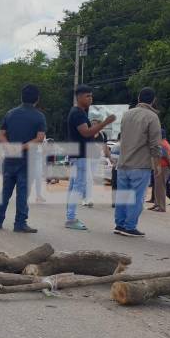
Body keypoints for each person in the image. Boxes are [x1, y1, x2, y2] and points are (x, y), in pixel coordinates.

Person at [0, 84, 47, 233]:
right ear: (37, 99)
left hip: (10, 157)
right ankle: (20, 223)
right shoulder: (39, 116)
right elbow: (40, 138)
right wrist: (22, 148)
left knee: (5, 191)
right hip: (27, 160)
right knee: (23, 192)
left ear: (21, 97)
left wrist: (9, 147)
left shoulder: (10, 113)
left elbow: (1, 134)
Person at [65, 85, 116, 230]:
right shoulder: (77, 113)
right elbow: (86, 133)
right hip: (80, 155)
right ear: (79, 97)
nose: (90, 98)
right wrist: (105, 123)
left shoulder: (78, 112)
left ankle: (70, 216)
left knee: (74, 186)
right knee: (78, 186)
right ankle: (70, 218)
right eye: (88, 96)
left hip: (78, 155)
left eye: (91, 96)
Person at [114, 87, 162, 237]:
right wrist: (158, 164)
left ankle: (119, 224)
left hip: (123, 163)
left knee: (122, 195)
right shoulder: (152, 117)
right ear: (153, 100)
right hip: (140, 164)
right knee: (136, 197)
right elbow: (155, 144)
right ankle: (130, 226)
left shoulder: (126, 115)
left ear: (138, 97)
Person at [148, 129, 170, 212]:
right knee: (157, 187)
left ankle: (161, 206)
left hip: (163, 167)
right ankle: (157, 204)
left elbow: (168, 156)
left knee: (161, 187)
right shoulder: (162, 143)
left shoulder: (162, 144)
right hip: (159, 167)